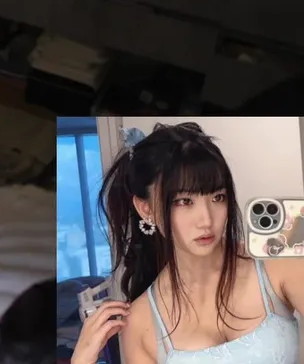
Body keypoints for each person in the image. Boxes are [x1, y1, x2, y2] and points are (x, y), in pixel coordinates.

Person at [70, 122, 300, 364]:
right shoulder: (140, 323)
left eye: (218, 197)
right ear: (145, 208)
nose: (206, 220)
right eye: (184, 201)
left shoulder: (273, 263)